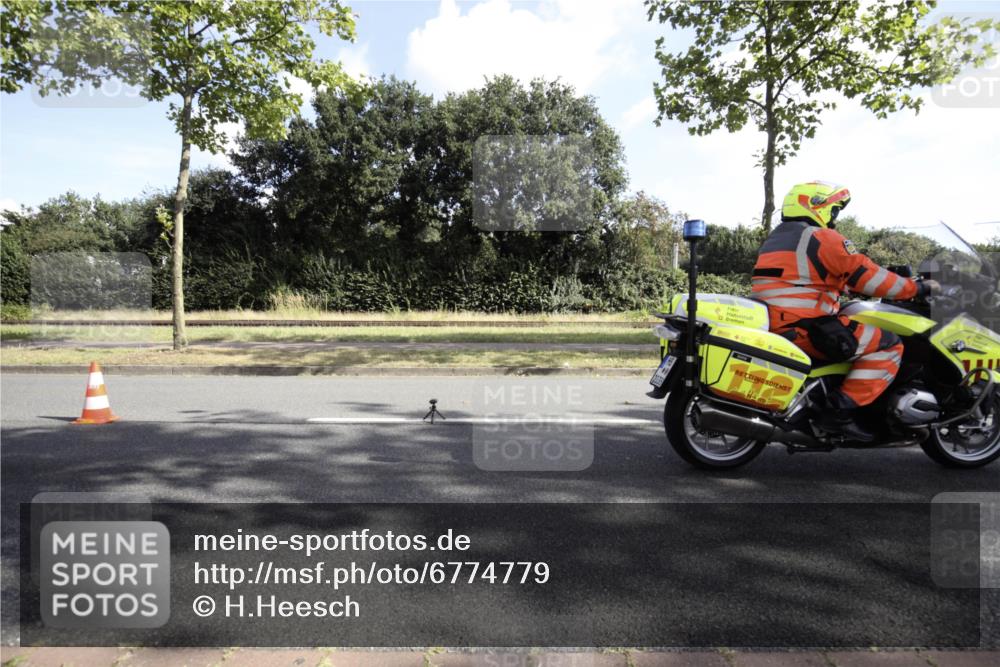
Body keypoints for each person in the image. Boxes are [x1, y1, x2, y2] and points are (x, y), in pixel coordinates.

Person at [752, 181, 940, 441]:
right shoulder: (821, 237)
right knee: (888, 345)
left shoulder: (777, 240)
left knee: (852, 325)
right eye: (834, 210)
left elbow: (801, 280)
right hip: (805, 327)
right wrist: (916, 288)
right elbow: (869, 276)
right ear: (818, 207)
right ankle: (838, 411)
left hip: (777, 321)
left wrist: (843, 288)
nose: (835, 218)